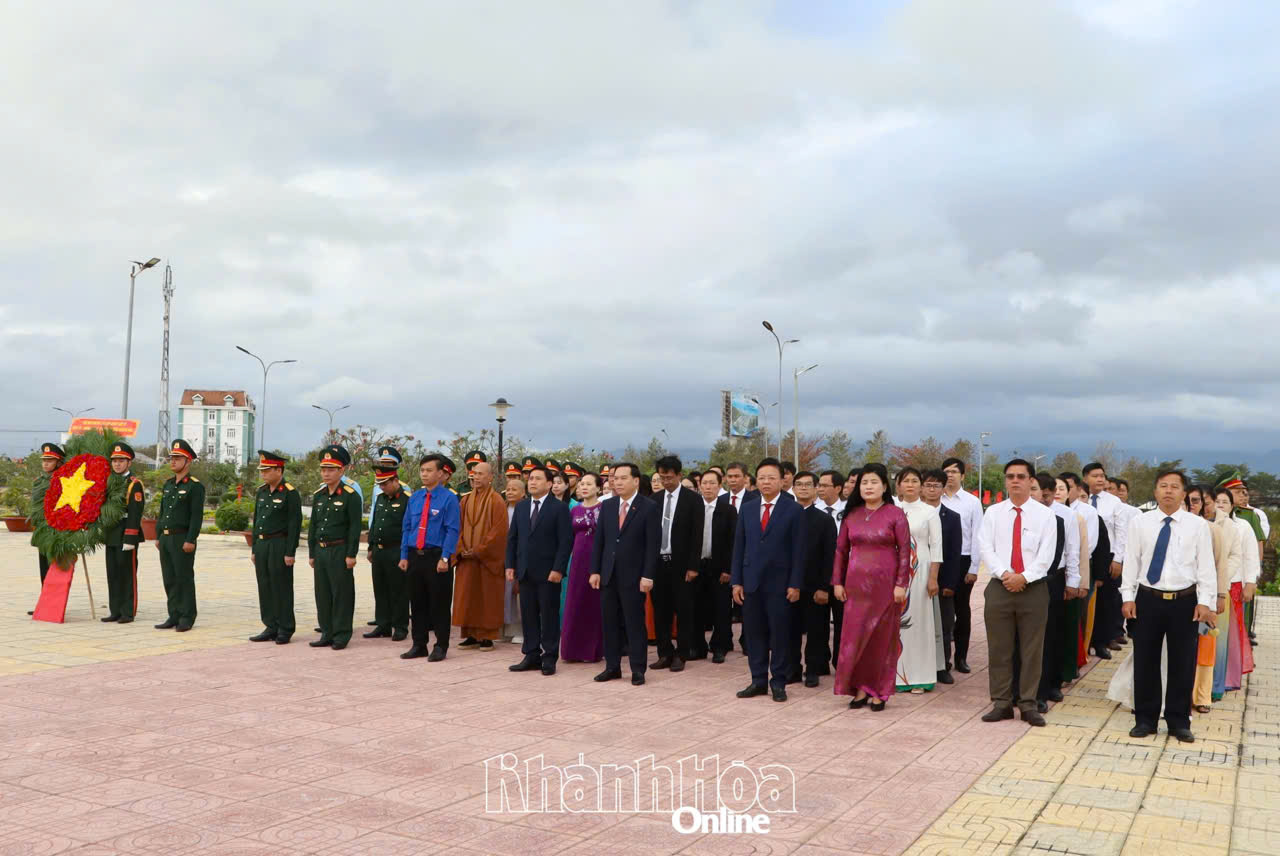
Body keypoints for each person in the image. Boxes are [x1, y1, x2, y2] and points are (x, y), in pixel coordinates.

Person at [1121, 469, 1217, 743]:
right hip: (1147, 599)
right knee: (1145, 660)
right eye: (1163, 485)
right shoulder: (1141, 522)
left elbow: (1206, 566)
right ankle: (1145, 719)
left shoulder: (1196, 525)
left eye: (1175, 486)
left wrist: (1205, 603)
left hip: (1184, 602)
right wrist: (1127, 597)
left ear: (1184, 493)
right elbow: (1132, 561)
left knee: (1182, 663)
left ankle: (1178, 721)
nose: (1168, 491)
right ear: (1155, 491)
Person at [978, 459, 1056, 727]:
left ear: (1030, 481)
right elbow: (986, 548)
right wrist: (1005, 574)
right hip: (1000, 587)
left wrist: (1024, 577)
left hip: (1033, 589)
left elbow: (1047, 555)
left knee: (1032, 649)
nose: (1015, 481)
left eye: (1021, 476)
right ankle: (1001, 702)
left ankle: (1028, 704)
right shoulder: (993, 513)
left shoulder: (1045, 515)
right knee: (999, 648)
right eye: (1010, 476)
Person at [831, 463, 910, 711]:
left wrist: (901, 584)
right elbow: (841, 551)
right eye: (864, 482)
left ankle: (880, 691)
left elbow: (906, 551)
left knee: (881, 640)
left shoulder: (895, 515)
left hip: (885, 588)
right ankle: (859, 689)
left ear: (884, 486)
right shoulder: (851, 515)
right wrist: (837, 582)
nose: (868, 487)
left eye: (874, 482)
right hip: (855, 588)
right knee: (854, 638)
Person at [731, 458, 805, 702]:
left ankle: (779, 682)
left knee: (780, 635)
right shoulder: (749, 507)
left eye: (771, 477)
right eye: (761, 477)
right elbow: (739, 546)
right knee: (754, 634)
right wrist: (737, 581)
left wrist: (795, 583)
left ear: (782, 480)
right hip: (751, 582)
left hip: (781, 584)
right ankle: (758, 680)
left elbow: (798, 550)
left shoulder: (793, 509)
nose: (766, 482)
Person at [590, 463, 659, 685]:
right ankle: (612, 667)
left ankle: (638, 669)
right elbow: (599, 541)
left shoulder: (648, 507)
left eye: (622, 478)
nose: (617, 482)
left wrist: (648, 575)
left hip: (634, 576)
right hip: (608, 574)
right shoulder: (608, 506)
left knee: (634, 623)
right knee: (609, 622)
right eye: (615, 478)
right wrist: (595, 570)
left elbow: (652, 545)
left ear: (636, 481)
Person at [506, 466, 573, 675]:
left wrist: (558, 569)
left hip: (549, 572)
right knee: (528, 615)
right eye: (531, 478)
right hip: (525, 571)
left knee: (549, 615)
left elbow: (565, 542)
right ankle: (531, 654)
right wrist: (510, 565)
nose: (532, 482)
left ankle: (550, 656)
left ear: (549, 484)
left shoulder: (559, 508)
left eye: (537, 479)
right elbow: (513, 539)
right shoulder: (522, 507)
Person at [398, 454, 461, 661]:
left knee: (439, 603)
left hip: (437, 557)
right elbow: (407, 527)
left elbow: (452, 530)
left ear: (441, 473)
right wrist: (404, 555)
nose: (424, 474)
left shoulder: (449, 498)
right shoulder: (415, 497)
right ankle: (419, 644)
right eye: (422, 470)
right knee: (417, 602)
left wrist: (445, 558)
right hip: (415, 556)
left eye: (429, 470)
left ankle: (441, 645)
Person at [651, 455, 704, 672]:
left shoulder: (693, 499)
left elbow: (697, 535)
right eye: (662, 477)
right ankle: (664, 652)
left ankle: (681, 653)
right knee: (660, 611)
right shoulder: (654, 500)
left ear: (679, 475)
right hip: (658, 564)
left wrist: (693, 566)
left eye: (669, 477)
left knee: (683, 610)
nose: (666, 481)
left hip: (682, 565)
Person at [307, 445, 361, 650]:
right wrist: (312, 552)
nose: (326, 473)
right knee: (322, 593)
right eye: (323, 469)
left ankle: (341, 634)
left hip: (340, 550)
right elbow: (313, 525)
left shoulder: (350, 495)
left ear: (341, 471)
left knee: (342, 593)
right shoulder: (319, 495)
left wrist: (351, 554)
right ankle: (326, 632)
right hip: (321, 551)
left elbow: (354, 528)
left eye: (331, 469)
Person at [893, 468, 943, 693]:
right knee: (895, 623)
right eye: (906, 481)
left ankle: (920, 677)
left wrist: (933, 578)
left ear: (921, 486)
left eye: (915, 481)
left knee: (918, 623)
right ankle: (893, 675)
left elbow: (937, 548)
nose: (910, 485)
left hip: (920, 570)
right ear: (898, 485)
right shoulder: (890, 509)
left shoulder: (929, 512)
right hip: (893, 571)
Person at [788, 471, 837, 688]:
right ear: (793, 488)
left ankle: (813, 669)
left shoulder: (824, 520)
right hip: (789, 584)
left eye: (808, 484)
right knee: (790, 629)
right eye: (799, 484)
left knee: (817, 630)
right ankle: (792, 669)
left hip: (815, 584)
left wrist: (824, 587)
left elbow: (830, 555)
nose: (803, 488)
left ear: (816, 488)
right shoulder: (785, 515)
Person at [1036, 472, 1081, 710]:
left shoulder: (1065, 515)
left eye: (1046, 494)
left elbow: (1072, 550)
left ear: (1054, 493)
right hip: (1030, 578)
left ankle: (1051, 684)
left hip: (1055, 577)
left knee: (1052, 634)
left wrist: (1073, 581)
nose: (1042, 498)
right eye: (1038, 493)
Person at [453, 461, 509, 652]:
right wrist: (461, 548)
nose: (476, 477)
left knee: (487, 596)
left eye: (480, 474)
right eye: (474, 474)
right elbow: (457, 527)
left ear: (491, 477)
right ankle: (470, 635)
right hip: (466, 558)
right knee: (467, 596)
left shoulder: (497, 501)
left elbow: (499, 532)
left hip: (486, 560)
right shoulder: (464, 500)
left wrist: (480, 550)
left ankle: (487, 637)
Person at [248, 450, 301, 643]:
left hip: (279, 544)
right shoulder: (262, 491)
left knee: (281, 587)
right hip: (262, 544)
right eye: (262, 470)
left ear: (279, 470)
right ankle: (270, 625)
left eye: (267, 470)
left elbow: (294, 524)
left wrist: (290, 552)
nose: (263, 473)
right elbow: (257, 521)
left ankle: (285, 628)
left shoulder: (290, 492)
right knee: (265, 585)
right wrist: (254, 548)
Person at [155, 439, 205, 633]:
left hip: (182, 538)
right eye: (172, 458)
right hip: (166, 538)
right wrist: (159, 535)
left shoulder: (194, 486)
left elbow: (196, 516)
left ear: (188, 461)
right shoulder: (168, 485)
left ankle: (187, 616)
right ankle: (173, 614)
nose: (173, 461)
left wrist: (191, 539)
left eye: (177, 458)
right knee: (169, 578)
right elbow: (162, 512)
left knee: (183, 577)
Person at [939, 457, 983, 674]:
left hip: (963, 559)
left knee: (961, 610)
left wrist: (974, 567)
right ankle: (942, 659)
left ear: (963, 476)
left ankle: (961, 657)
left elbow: (977, 536)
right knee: (942, 612)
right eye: (946, 471)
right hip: (940, 559)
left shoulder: (972, 502)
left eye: (954, 471)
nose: (950, 474)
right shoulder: (935, 499)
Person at [1213, 487, 1257, 693]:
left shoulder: (1243, 526)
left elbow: (1250, 556)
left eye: (1225, 502)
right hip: (1211, 584)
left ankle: (1229, 675)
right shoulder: (1208, 524)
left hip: (1235, 583)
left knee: (1232, 633)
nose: (1220, 505)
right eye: (1217, 501)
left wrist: (1250, 582)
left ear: (1232, 506)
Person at [1084, 462, 1128, 659]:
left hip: (1108, 557)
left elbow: (1121, 532)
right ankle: (1083, 643)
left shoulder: (1113, 502)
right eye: (1095, 476)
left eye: (1102, 475)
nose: (1100, 479)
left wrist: (1118, 559)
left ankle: (1101, 641)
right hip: (1084, 557)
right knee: (1085, 601)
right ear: (1085, 478)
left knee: (1106, 601)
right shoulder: (1080, 500)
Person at [363, 456, 410, 642]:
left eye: (385, 483)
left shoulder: (407, 500)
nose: (382, 487)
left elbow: (409, 528)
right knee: (380, 588)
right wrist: (371, 547)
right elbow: (375, 525)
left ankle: (400, 626)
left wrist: (406, 553)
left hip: (396, 550)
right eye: (380, 483)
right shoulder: (381, 499)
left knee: (398, 590)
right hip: (380, 551)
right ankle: (383, 625)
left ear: (395, 481)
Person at [694, 469, 737, 663]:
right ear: (699, 486)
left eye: (712, 483)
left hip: (719, 567)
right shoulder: (693, 509)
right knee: (697, 607)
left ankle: (720, 646)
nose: (708, 487)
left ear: (720, 486)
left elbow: (733, 542)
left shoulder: (728, 510)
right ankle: (698, 647)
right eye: (705, 483)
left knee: (721, 609)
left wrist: (728, 569)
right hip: (697, 566)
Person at [561, 472, 604, 663]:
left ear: (598, 488)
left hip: (597, 562)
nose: (583, 487)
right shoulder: (574, 510)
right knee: (574, 603)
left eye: (588, 484)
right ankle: (572, 651)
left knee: (594, 605)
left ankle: (592, 650)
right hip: (577, 562)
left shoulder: (605, 509)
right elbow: (567, 538)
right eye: (581, 484)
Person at [922, 470, 960, 685]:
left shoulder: (952, 518)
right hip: (915, 576)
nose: (932, 489)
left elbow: (955, 552)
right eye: (928, 484)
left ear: (944, 489)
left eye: (937, 485)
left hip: (942, 580)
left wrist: (950, 584)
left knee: (943, 626)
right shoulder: (910, 513)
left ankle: (942, 666)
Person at [101, 442, 145, 625]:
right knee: (112, 573)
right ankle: (115, 610)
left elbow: (135, 512)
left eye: (121, 461)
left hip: (126, 533)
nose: (117, 464)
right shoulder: (109, 482)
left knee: (127, 574)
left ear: (129, 463)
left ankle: (127, 611)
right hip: (112, 533)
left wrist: (130, 538)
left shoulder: (133, 484)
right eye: (115, 461)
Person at [1220, 473, 1264, 645]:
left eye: (1243, 492)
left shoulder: (1246, 519)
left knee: (1234, 630)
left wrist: (1252, 579)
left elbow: (1253, 552)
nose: (1243, 495)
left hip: (1236, 581)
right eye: (1237, 491)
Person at [815, 470, 847, 667]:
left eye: (825, 485)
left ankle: (840, 662)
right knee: (818, 621)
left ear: (838, 488)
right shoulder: (813, 510)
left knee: (842, 621)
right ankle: (819, 662)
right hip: (818, 573)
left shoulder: (849, 511)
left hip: (844, 574)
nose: (820, 489)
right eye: (819, 485)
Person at [30, 442, 65, 611]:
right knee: (43, 568)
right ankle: (45, 603)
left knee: (56, 570)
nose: (45, 463)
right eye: (44, 460)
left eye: (50, 460)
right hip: (42, 531)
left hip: (56, 531)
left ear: (58, 463)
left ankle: (55, 605)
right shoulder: (39, 481)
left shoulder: (63, 480)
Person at [502, 471, 527, 644]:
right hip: (502, 556)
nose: (510, 492)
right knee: (504, 594)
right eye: (508, 489)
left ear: (523, 493)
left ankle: (519, 630)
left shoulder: (525, 509)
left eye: (514, 489)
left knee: (517, 594)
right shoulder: (502, 508)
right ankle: (504, 630)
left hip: (519, 556)